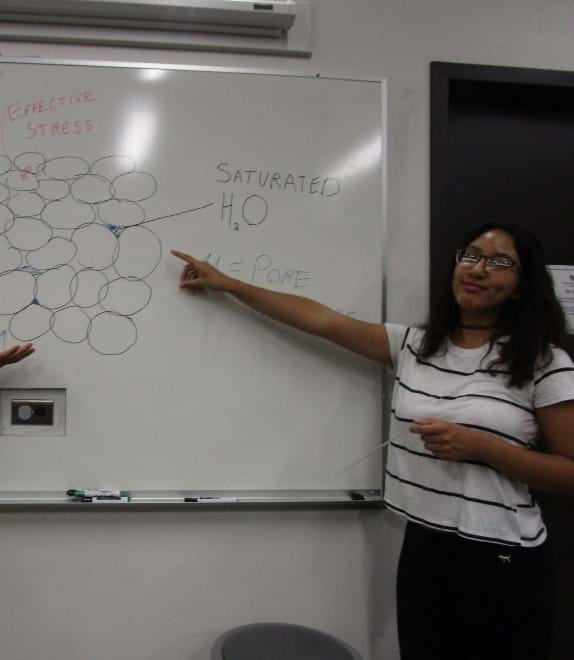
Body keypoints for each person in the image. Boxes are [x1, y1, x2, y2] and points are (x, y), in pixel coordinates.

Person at [172, 222, 574, 660]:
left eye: (500, 263)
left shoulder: (544, 362)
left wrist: (483, 448)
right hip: (423, 545)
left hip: (502, 559)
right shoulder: (416, 345)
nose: (477, 269)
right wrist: (229, 285)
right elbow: (320, 320)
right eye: (471, 255)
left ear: (520, 285)